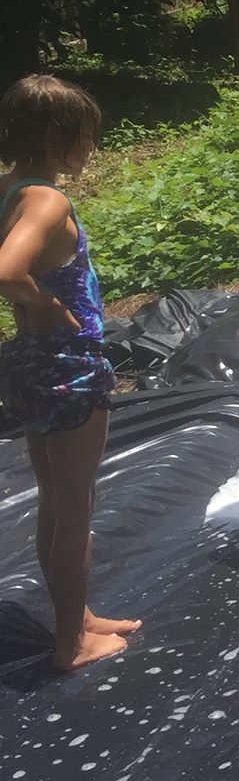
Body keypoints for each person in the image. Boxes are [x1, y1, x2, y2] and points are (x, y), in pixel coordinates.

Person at [0, 74, 138, 672]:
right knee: (73, 503)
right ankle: (70, 644)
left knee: (57, 499)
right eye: (84, 136)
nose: (90, 148)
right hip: (67, 363)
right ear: (61, 137)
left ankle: (75, 617)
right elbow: (7, 271)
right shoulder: (47, 200)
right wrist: (52, 308)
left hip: (33, 362)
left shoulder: (11, 188)